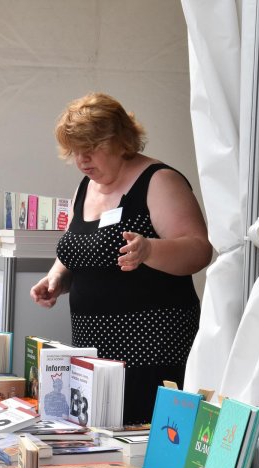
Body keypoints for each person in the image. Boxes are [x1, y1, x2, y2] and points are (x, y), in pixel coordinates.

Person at [30, 92, 212, 424]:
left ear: (120, 141)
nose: (82, 160)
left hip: (152, 352)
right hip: (95, 356)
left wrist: (151, 249)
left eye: (91, 149)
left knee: (143, 454)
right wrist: (57, 277)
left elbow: (199, 249)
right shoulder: (87, 186)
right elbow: (83, 249)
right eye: (75, 151)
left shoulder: (159, 181)